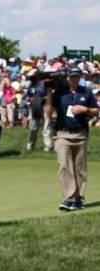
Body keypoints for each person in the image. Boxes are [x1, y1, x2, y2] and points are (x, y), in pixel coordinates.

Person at [52, 67, 99, 211]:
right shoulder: (60, 93)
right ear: (67, 78)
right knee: (64, 165)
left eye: (78, 76)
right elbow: (50, 110)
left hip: (80, 134)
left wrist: (85, 110)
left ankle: (79, 198)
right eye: (72, 76)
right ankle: (69, 198)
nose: (75, 79)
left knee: (80, 168)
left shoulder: (86, 92)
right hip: (62, 134)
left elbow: (95, 110)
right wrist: (48, 93)